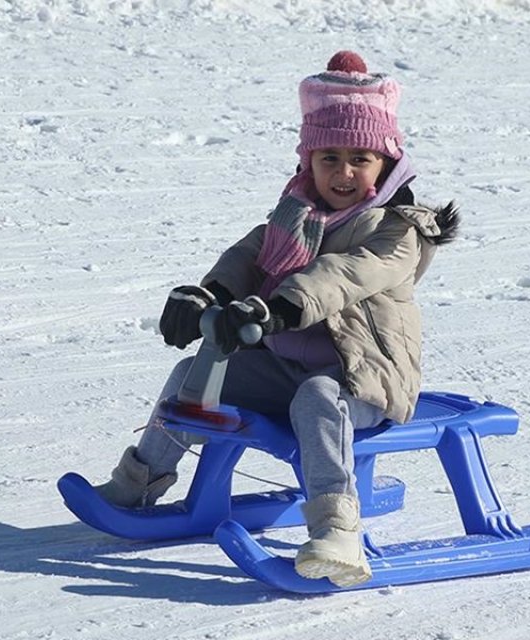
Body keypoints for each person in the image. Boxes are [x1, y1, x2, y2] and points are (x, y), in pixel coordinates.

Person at [94, 50, 459, 588]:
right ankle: (138, 481)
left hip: (364, 379)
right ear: (307, 160)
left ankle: (338, 530)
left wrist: (280, 305)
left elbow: (346, 274)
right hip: (282, 368)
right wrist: (207, 294)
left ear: (385, 162)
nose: (343, 172)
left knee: (318, 399)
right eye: (328, 157)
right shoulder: (295, 214)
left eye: (360, 158)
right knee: (198, 376)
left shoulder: (398, 231)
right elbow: (249, 255)